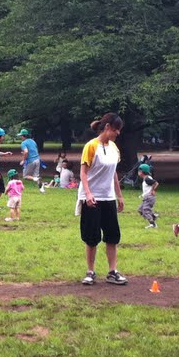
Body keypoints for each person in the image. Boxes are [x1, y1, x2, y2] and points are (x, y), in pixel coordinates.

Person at [78, 113, 127, 286]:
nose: (118, 133)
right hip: (92, 197)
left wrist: (119, 195)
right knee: (91, 237)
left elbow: (113, 173)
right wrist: (88, 193)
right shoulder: (91, 147)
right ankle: (90, 272)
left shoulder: (114, 148)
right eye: (116, 129)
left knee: (112, 236)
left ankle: (112, 272)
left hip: (108, 198)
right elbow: (83, 172)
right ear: (107, 127)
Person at [137, 163, 159, 228]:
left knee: (146, 210)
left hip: (149, 198)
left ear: (142, 172)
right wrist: (142, 195)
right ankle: (153, 215)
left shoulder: (147, 179)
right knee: (140, 210)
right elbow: (147, 188)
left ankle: (152, 224)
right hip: (146, 197)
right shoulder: (146, 179)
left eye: (139, 171)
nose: (138, 172)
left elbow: (156, 183)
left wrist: (152, 190)